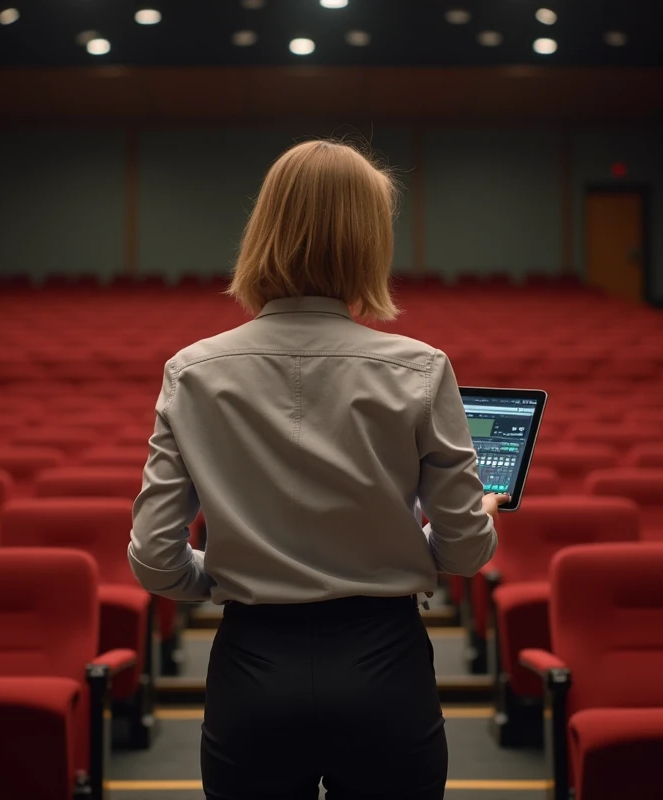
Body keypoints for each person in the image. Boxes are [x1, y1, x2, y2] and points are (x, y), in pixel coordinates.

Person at [129, 139, 505, 800]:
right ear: (367, 243)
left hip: (252, 664)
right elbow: (466, 554)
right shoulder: (420, 368)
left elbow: (157, 562)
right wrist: (424, 543)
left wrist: (227, 577)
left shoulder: (191, 372)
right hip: (384, 664)